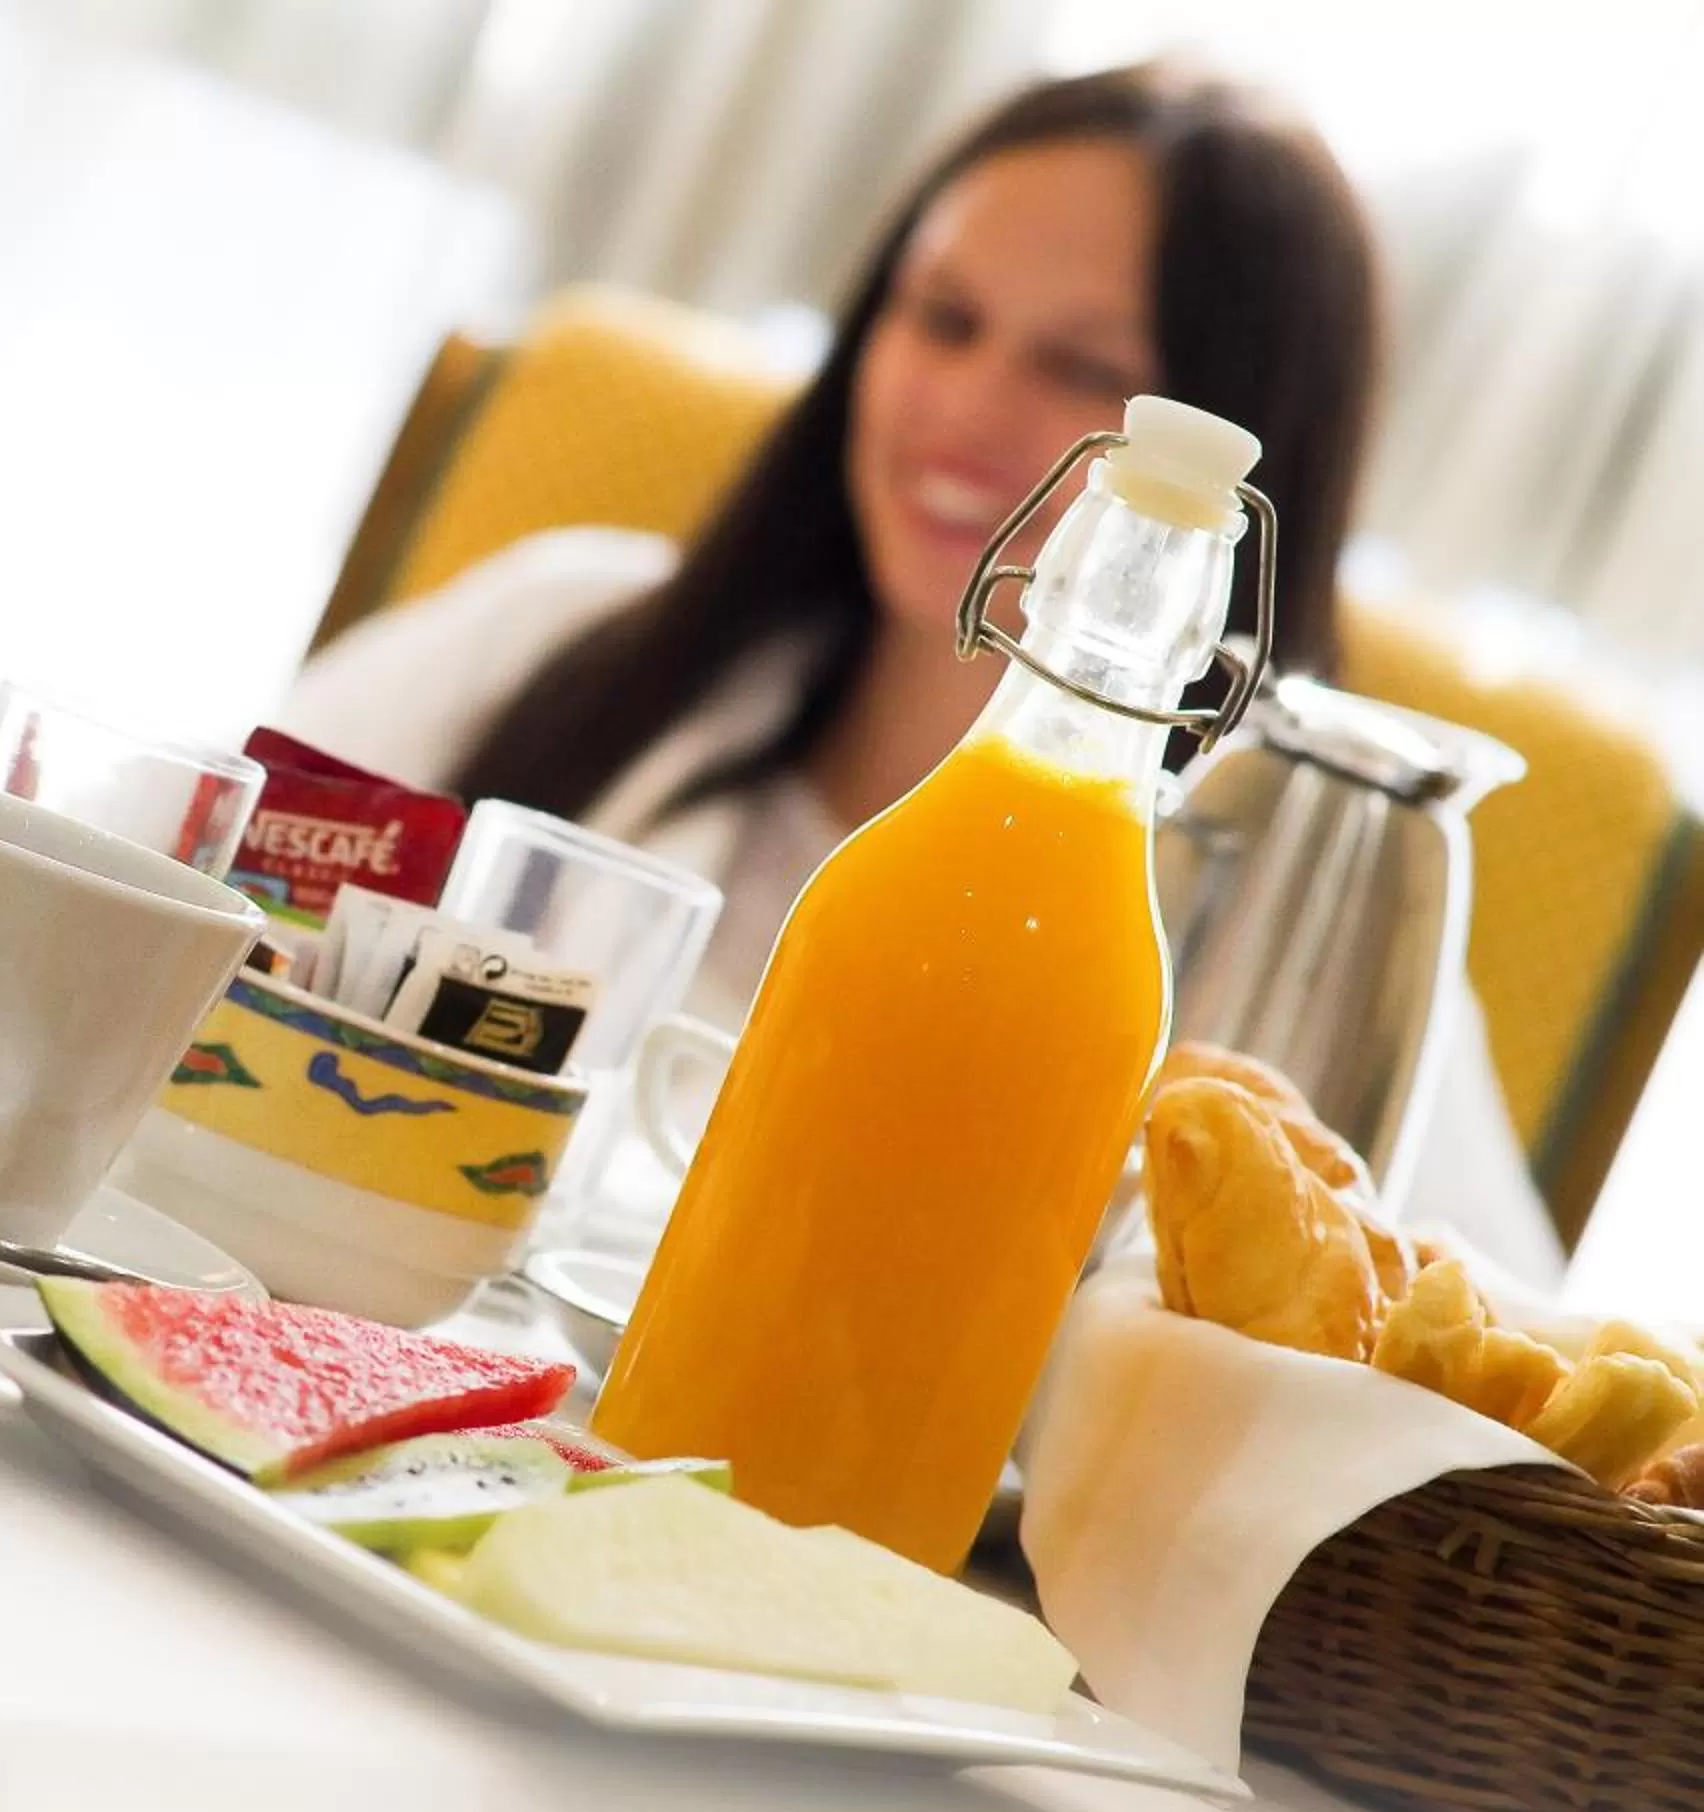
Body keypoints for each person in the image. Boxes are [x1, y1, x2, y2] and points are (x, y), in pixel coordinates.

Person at [279, 61, 1567, 1284]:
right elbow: (206, 905)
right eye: (943, 319)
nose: (964, 406)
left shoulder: (1310, 928)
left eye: (1087, 370)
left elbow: (1476, 1374)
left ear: (1233, 473)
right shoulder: (558, 631)